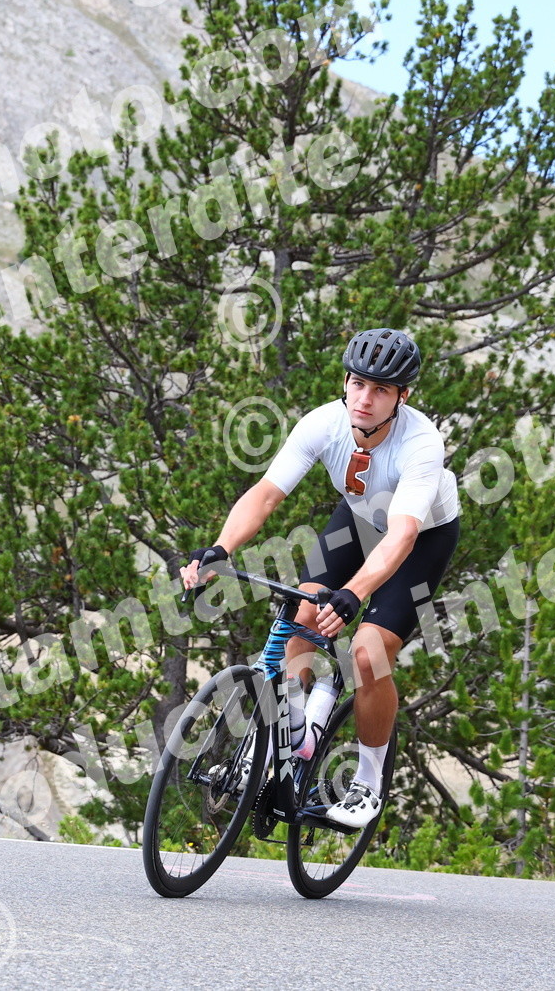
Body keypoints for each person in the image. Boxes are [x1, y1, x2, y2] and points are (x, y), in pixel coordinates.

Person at [180, 327, 461, 828]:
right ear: (345, 383)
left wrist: (355, 592)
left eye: (380, 390)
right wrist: (221, 548)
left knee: (368, 654)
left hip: (420, 538)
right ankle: (283, 741)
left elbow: (401, 535)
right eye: (358, 383)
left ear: (402, 396)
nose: (365, 399)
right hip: (358, 519)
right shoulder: (323, 423)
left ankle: (367, 783)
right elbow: (266, 494)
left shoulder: (421, 443)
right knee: (301, 615)